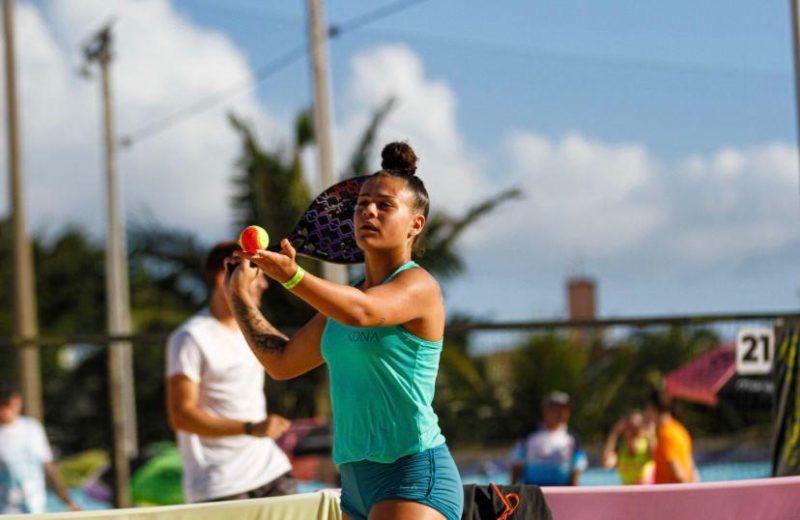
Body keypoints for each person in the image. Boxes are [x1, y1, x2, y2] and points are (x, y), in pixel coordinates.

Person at [224, 142, 464, 520]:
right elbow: (282, 363)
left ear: (416, 224)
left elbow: (364, 313)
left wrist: (292, 276)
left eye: (384, 205)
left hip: (413, 475)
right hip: (355, 482)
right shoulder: (346, 299)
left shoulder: (419, 287)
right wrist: (239, 298)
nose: (368, 210)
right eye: (362, 203)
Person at [165, 241, 295, 503]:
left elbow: (293, 355)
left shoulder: (253, 330)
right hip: (220, 485)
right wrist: (251, 428)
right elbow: (181, 416)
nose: (263, 284)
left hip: (271, 471)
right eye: (255, 274)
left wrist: (293, 275)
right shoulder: (191, 336)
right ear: (223, 275)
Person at [0, 382, 79, 514]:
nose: (6, 409)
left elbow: (48, 468)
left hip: (37, 509)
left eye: (8, 403)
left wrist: (68, 502)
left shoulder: (33, 428)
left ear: (18, 402)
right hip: (7, 512)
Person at [510, 391, 588, 486]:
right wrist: (512, 489)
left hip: (562, 490)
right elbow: (517, 463)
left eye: (566, 409)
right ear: (546, 410)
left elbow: (577, 466)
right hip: (533, 491)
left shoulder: (572, 436)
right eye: (557, 409)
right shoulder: (529, 433)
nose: (562, 413)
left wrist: (573, 492)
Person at [645, 390, 699, 484]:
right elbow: (691, 467)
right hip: (683, 493)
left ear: (652, 409)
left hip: (671, 496)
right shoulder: (680, 430)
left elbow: (678, 474)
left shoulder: (665, 434)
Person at [601, 410, 655, 485]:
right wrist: (615, 433)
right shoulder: (621, 450)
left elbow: (654, 455)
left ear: (642, 429)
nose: (632, 432)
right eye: (629, 427)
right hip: (627, 495)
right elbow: (606, 464)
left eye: (636, 428)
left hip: (647, 494)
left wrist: (650, 433)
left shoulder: (647, 447)